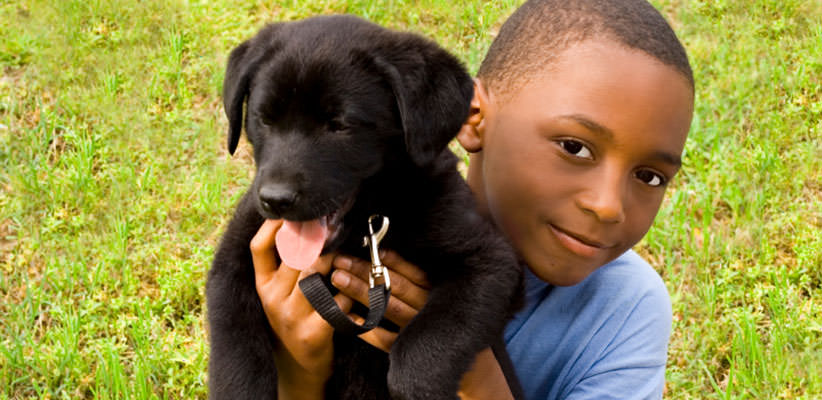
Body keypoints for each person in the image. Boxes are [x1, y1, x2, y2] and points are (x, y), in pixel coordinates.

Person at [249, 0, 694, 398]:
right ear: (473, 117)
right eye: (574, 147)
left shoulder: (626, 309)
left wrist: (473, 374)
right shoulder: (347, 213)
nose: (607, 205)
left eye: (650, 176)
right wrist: (301, 375)